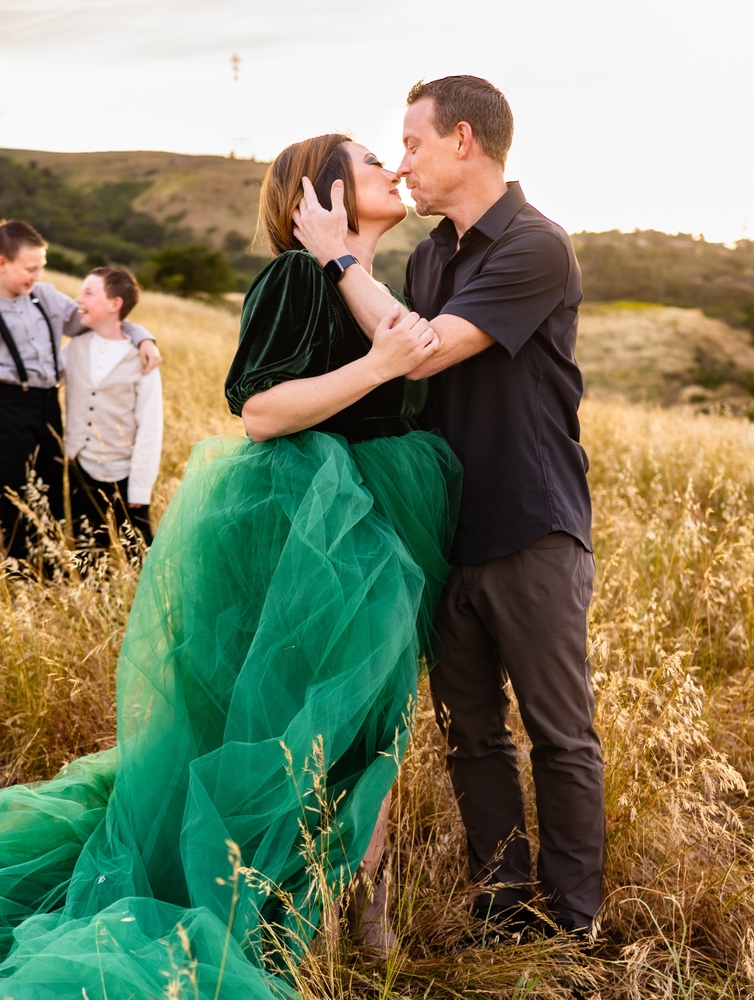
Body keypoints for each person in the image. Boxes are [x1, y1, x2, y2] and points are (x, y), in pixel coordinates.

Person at [0, 136, 460, 999]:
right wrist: (379, 363)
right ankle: (258, 895)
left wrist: (377, 326)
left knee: (375, 716)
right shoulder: (295, 278)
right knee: (290, 724)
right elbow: (262, 411)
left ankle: (365, 907)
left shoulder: (370, 276)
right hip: (305, 524)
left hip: (380, 519)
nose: (392, 162)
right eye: (368, 154)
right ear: (324, 188)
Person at [293, 75, 602, 938]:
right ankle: (504, 912)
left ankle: (574, 928)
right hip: (445, 536)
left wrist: (340, 256)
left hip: (533, 525)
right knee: (472, 737)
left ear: (463, 141)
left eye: (415, 144)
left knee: (560, 737)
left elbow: (419, 355)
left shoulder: (538, 246)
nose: (404, 165)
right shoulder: (430, 257)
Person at [0, 219, 161, 567]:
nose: (36, 275)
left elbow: (99, 316)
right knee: (13, 492)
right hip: (8, 408)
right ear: (1, 264)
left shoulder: (47, 297)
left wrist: (141, 334)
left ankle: (51, 568)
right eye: (30, 268)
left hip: (49, 405)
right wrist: (5, 402)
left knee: (51, 492)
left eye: (41, 268)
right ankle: (22, 572)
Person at [64, 266, 162, 556]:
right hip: (80, 466)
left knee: (140, 556)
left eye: (88, 292)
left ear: (114, 304)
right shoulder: (73, 348)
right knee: (88, 552)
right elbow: (43, 377)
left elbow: (150, 427)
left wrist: (140, 489)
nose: (78, 299)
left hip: (124, 473)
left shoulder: (143, 359)